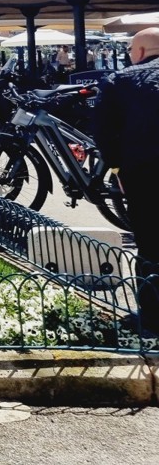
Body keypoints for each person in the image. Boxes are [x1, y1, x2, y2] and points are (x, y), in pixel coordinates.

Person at [94, 27, 159, 334]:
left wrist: (118, 170)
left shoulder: (120, 81)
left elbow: (104, 132)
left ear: (140, 52)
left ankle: (152, 318)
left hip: (144, 174)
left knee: (150, 243)